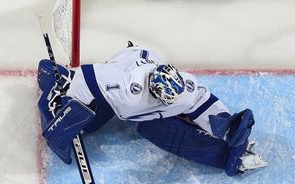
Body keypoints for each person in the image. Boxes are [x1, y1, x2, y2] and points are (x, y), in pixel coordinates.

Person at [36, 42, 267, 176]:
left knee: (156, 128)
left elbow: (200, 100)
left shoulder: (182, 86)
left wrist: (224, 124)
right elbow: (86, 79)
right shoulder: (123, 86)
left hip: (143, 56)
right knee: (92, 124)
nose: (172, 103)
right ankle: (59, 80)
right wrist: (68, 103)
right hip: (121, 67)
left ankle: (220, 151)